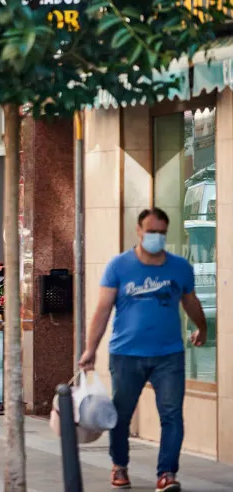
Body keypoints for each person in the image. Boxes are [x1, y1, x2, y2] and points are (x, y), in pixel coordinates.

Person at [79, 208, 207, 492]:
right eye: (151, 232)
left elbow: (190, 302)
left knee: (172, 414)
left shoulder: (180, 267)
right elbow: (102, 310)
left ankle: (167, 474)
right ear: (138, 231)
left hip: (169, 354)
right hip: (127, 354)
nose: (156, 237)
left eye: (162, 232)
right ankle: (120, 465)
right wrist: (91, 349)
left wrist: (203, 327)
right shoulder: (119, 266)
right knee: (121, 414)